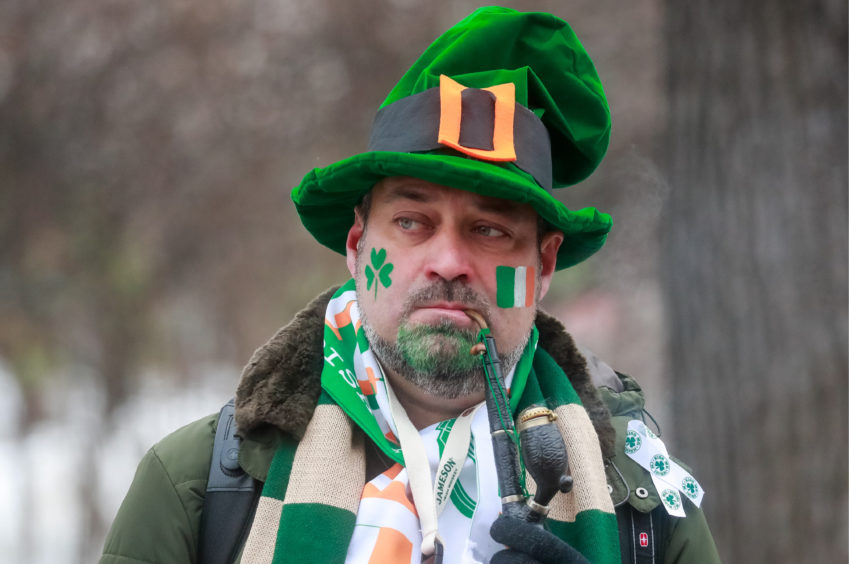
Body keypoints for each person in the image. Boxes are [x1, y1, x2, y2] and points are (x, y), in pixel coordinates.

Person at [101, 7, 720, 564]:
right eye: (411, 222)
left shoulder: (645, 510)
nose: (448, 261)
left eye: (490, 230)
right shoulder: (200, 489)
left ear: (545, 266)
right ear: (356, 244)